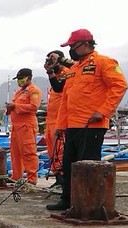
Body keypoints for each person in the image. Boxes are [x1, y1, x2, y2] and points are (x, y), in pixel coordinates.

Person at [45, 29, 128, 210]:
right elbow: (66, 99)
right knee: (69, 164)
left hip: (92, 125)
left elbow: (120, 85)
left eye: (73, 46)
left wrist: (103, 111)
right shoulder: (74, 69)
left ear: (85, 44)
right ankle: (68, 199)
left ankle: (88, 203)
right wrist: (60, 125)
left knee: (88, 164)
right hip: (73, 125)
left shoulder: (103, 62)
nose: (71, 50)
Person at [5, 68, 42, 185]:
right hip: (16, 127)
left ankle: (32, 179)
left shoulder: (34, 90)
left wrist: (15, 106)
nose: (19, 81)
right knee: (15, 153)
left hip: (26, 126)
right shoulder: (18, 92)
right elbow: (14, 106)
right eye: (18, 79)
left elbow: (34, 107)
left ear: (29, 78)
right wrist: (10, 107)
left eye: (21, 79)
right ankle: (16, 176)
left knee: (28, 152)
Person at [43, 50, 75, 186]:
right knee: (51, 150)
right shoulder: (54, 77)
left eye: (53, 59)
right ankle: (57, 178)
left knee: (60, 150)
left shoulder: (67, 73)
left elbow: (58, 88)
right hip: (50, 120)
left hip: (60, 120)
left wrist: (51, 72)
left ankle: (63, 180)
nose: (50, 62)